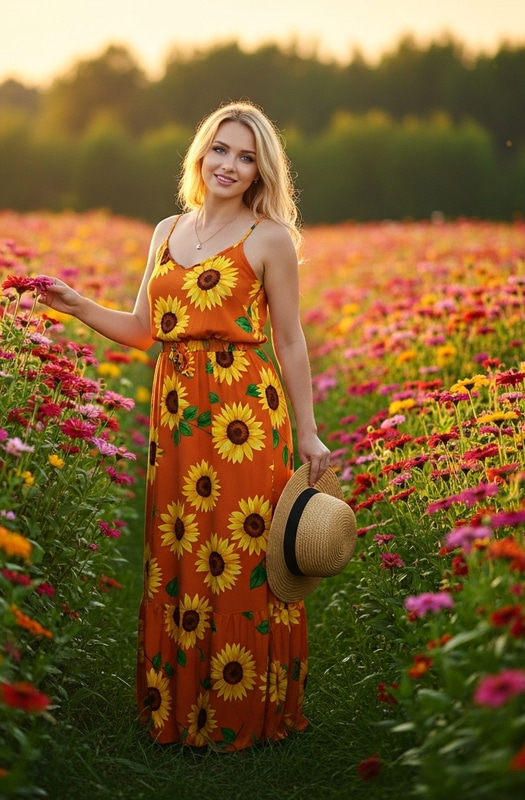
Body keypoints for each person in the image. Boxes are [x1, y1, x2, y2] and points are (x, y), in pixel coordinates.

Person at [38, 100, 331, 751]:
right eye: (220, 149)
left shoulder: (269, 239)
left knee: (242, 555)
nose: (229, 164)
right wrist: (76, 304)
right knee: (180, 552)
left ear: (261, 171)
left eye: (246, 156)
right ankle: (181, 705)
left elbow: (290, 341)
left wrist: (307, 432)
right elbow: (144, 330)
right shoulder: (167, 229)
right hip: (175, 418)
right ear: (201, 153)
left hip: (244, 418)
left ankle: (245, 712)